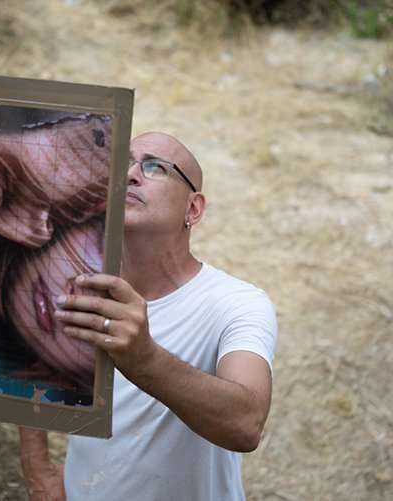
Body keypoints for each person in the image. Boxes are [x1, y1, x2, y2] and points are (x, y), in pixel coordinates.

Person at [19, 131, 278, 500]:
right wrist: (38, 470)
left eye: (155, 167)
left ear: (194, 209)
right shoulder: (76, 284)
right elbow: (22, 368)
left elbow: (246, 424)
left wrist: (144, 359)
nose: (132, 174)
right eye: (122, 163)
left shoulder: (237, 304)